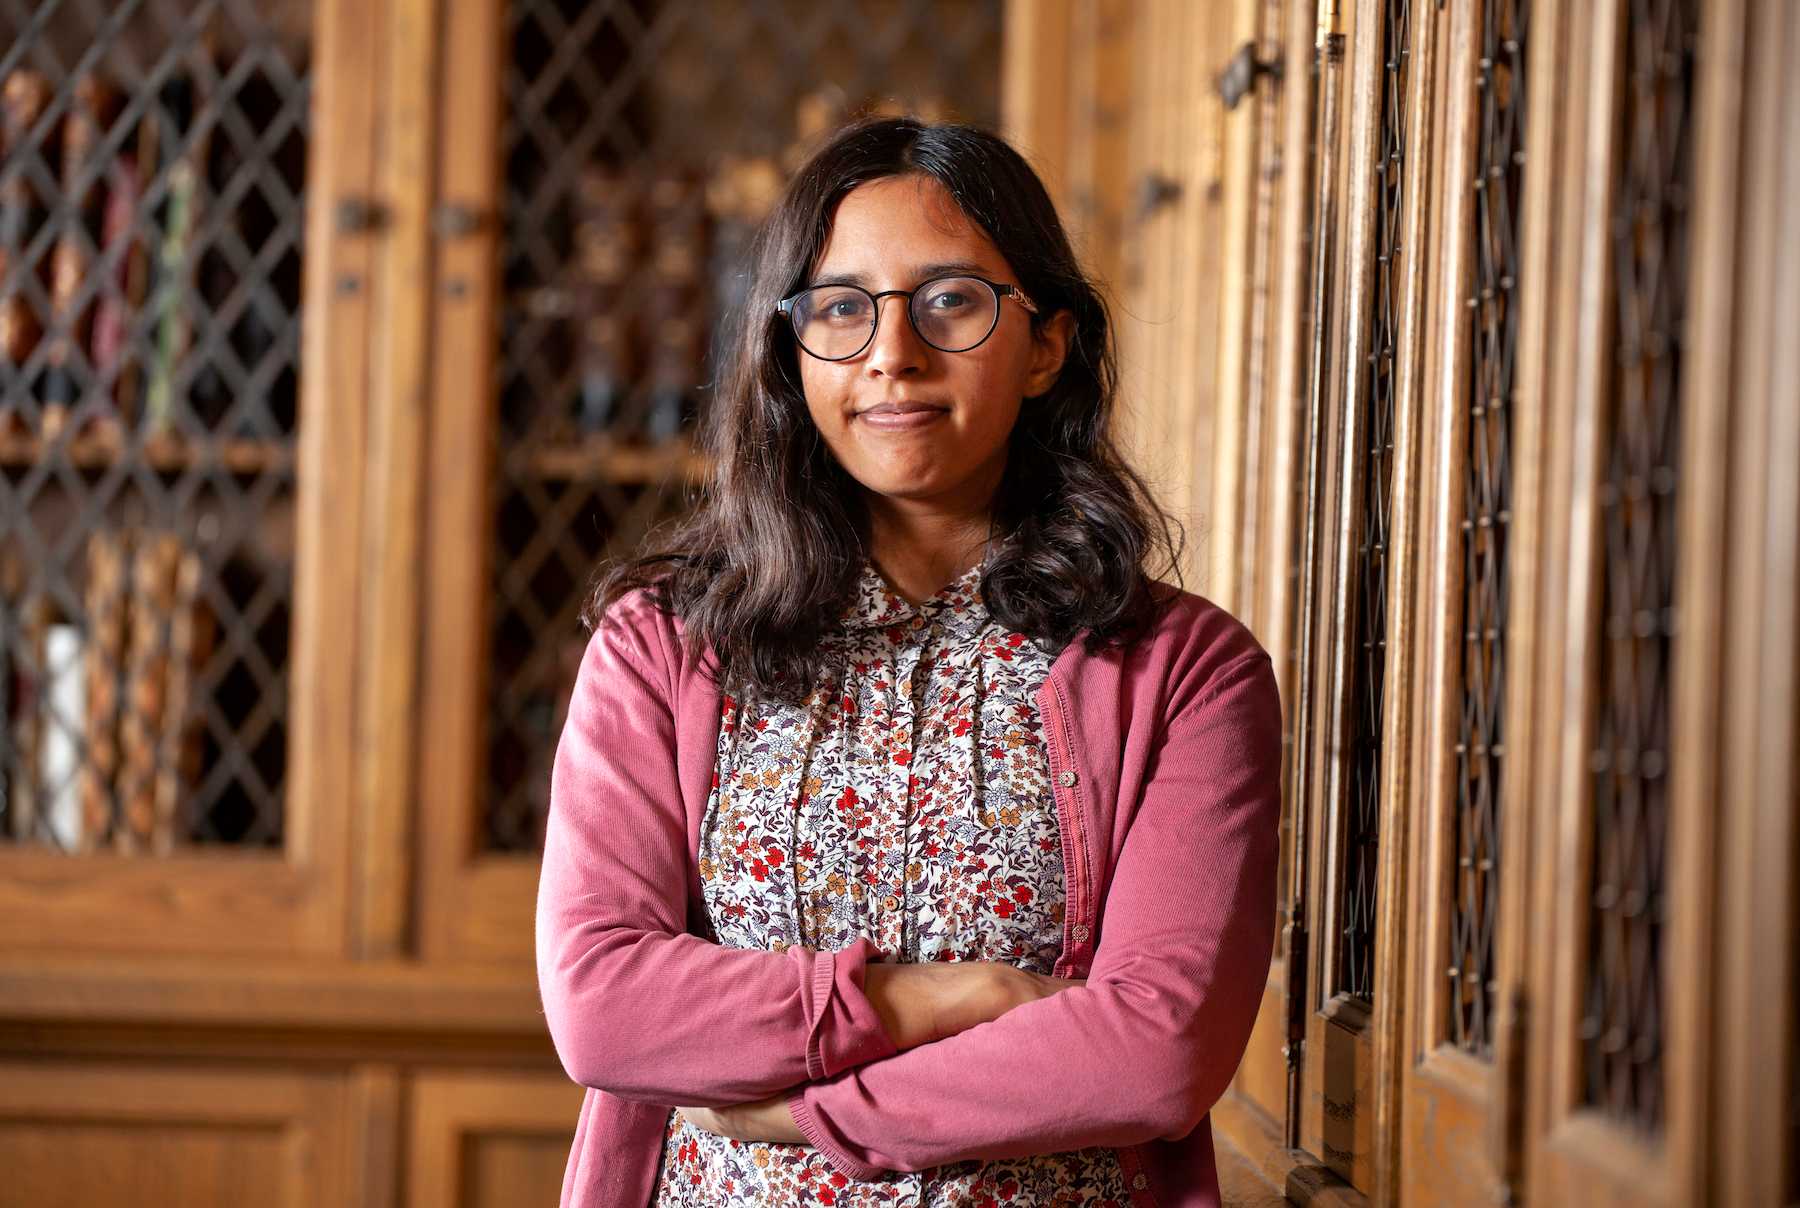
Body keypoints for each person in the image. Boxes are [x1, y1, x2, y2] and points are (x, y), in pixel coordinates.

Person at [536, 115, 1283, 1208]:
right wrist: (937, 998)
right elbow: (605, 1005)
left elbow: (1156, 1049)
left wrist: (807, 1114)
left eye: (951, 300)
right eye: (842, 307)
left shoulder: (1186, 671)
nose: (893, 352)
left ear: (1045, 344)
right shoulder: (663, 647)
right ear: (793, 353)